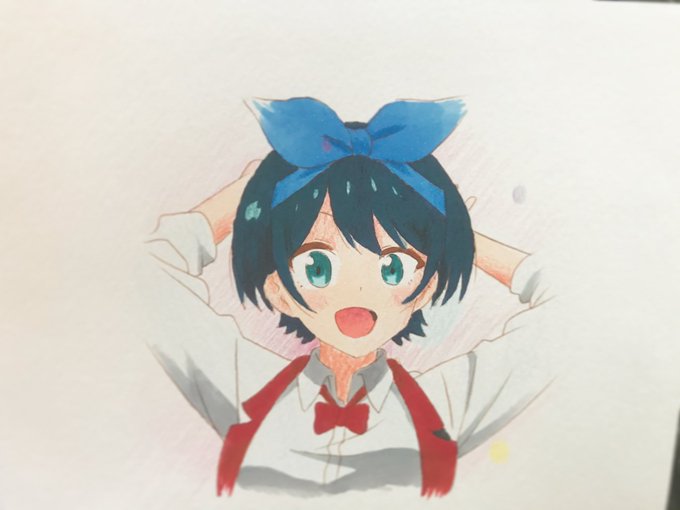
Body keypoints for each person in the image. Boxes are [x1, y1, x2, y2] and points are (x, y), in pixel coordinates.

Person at [143, 97, 553, 497]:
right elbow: (141, 277)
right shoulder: (241, 383)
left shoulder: (449, 403)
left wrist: (456, 237)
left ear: (425, 289)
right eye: (318, 267)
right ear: (279, 291)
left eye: (393, 268)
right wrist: (244, 195)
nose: (358, 293)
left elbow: (570, 316)